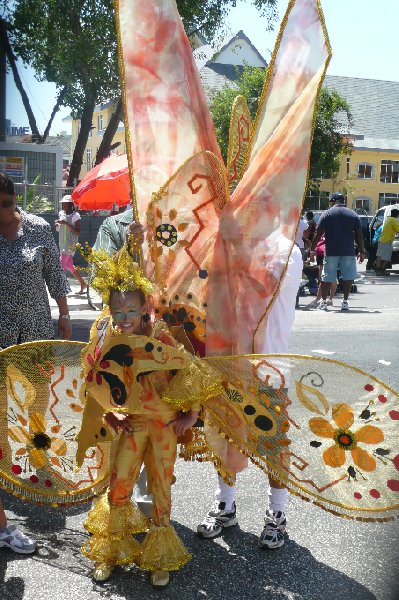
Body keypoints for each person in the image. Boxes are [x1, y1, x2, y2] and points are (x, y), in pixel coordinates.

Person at [78, 242, 206, 587]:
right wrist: (109, 414)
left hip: (164, 425)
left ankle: (158, 557)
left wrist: (190, 414)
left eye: (130, 310)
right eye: (117, 311)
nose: (124, 318)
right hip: (131, 424)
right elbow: (93, 381)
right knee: (119, 483)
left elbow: (190, 369)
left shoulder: (160, 334)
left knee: (161, 487)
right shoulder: (105, 336)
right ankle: (110, 551)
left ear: (144, 307)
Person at [197, 234, 303, 548]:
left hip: (268, 367)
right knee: (227, 433)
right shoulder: (227, 243)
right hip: (228, 361)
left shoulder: (286, 249)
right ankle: (225, 504)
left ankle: (277, 514)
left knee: (273, 442)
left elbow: (262, 290)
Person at [0, 172, 71, 554]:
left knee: (38, 399)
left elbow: (54, 275)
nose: (2, 214)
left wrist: (64, 315)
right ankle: (3, 463)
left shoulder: (40, 228)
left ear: (15, 199)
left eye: (6, 205)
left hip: (36, 328)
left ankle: (39, 456)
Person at [310, 192, 365, 311]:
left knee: (327, 277)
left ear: (333, 201)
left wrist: (312, 250)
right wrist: (362, 251)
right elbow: (359, 235)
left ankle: (324, 302)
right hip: (348, 251)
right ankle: (345, 301)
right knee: (348, 277)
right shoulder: (353, 215)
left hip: (331, 251)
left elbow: (318, 233)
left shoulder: (327, 214)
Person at [55, 195, 87, 294]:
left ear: (69, 204)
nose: (63, 205)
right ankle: (83, 283)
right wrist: (58, 225)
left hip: (70, 244)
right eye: (62, 203)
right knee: (69, 265)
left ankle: (61, 288)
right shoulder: (61, 213)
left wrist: (66, 224)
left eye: (65, 203)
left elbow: (78, 232)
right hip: (62, 242)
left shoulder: (75, 216)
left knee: (61, 264)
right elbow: (60, 227)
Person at [374, 208, 399, 275]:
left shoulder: (388, 219)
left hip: (382, 239)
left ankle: (378, 270)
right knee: (387, 257)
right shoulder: (393, 220)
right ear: (397, 215)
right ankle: (382, 270)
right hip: (387, 241)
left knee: (380, 255)